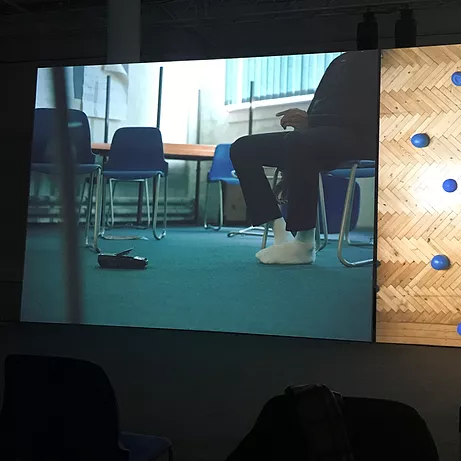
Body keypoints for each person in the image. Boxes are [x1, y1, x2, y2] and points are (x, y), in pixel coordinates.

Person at [230, 50, 380, 265]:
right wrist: (309, 121)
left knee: (299, 143)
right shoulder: (341, 61)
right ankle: (280, 229)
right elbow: (324, 106)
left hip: (361, 138)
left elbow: (369, 114)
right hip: (323, 134)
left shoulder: (380, 59)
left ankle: (304, 243)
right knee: (243, 147)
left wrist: (314, 121)